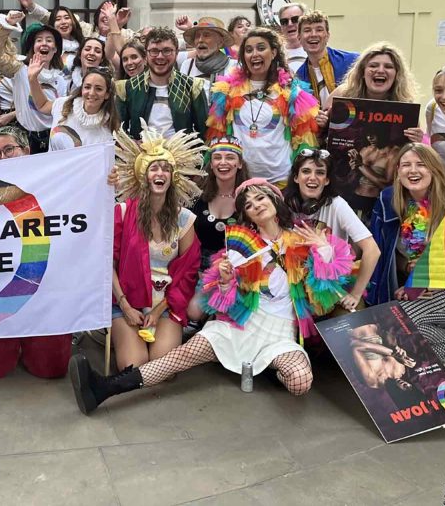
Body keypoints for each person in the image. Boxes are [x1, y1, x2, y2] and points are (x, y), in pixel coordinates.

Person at [69, 178, 354, 414]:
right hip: (238, 327)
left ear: (274, 200)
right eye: (249, 205)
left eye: (260, 198)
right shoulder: (241, 248)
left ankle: (261, 369)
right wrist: (227, 282)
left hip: (279, 334)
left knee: (300, 382)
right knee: (178, 358)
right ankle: (104, 388)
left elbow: (321, 299)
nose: (256, 206)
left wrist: (324, 253)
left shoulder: (306, 238)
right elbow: (223, 302)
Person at [0, 126, 75, 378]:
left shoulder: (52, 181)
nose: (3, 158)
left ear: (26, 151)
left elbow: (82, 194)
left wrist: (105, 178)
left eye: (9, 150)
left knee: (52, 369)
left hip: (43, 285)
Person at [366, 143, 445, 372]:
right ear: (398, 171)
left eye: (421, 165)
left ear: (434, 169)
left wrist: (429, 277)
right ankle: (444, 337)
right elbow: (386, 253)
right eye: (406, 165)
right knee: (391, 328)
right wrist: (410, 277)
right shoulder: (390, 201)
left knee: (405, 322)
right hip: (412, 288)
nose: (412, 170)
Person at [109, 122, 204, 369]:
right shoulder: (122, 212)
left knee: (163, 368)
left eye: (165, 168)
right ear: (143, 175)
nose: (160, 173)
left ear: (173, 177)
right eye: (153, 168)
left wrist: (159, 309)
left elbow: (187, 273)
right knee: (133, 366)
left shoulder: (185, 219)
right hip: (127, 302)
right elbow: (107, 264)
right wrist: (125, 306)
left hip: (166, 303)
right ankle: (126, 342)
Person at [207, 27, 319, 186]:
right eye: (248, 50)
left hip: (281, 181)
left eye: (261, 48)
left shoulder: (291, 92)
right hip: (239, 180)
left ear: (273, 53)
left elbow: (303, 142)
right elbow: (218, 137)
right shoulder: (227, 90)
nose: (254, 54)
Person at [284, 149, 381, 311]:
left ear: (327, 180)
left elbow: (373, 250)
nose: (312, 177)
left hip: (332, 284)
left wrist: (356, 294)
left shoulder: (337, 205)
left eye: (320, 173)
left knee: (351, 325)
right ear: (296, 177)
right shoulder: (284, 205)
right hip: (295, 285)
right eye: (306, 171)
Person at [0, 18, 70, 153]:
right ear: (32, 47)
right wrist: (8, 25)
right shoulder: (19, 70)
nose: (44, 43)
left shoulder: (60, 80)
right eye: (39, 40)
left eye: (49, 40)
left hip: (53, 138)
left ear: (55, 49)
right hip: (25, 138)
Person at [115, 27, 208, 140]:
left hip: (181, 155)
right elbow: (119, 133)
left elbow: (204, 134)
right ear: (146, 54)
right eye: (154, 51)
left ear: (177, 53)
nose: (160, 56)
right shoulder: (127, 88)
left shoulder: (193, 87)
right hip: (139, 156)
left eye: (166, 50)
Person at [29, 64, 119, 152]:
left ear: (107, 94)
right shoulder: (62, 104)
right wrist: (33, 79)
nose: (91, 93)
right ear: (82, 89)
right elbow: (42, 105)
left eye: (98, 89)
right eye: (87, 87)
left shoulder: (108, 132)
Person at [191, 137, 250, 267]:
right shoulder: (195, 196)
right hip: (198, 270)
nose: (223, 162)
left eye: (230, 157)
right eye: (217, 158)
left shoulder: (250, 198)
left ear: (240, 164)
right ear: (211, 164)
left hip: (236, 270)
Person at [294, 10, 359, 107]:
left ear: (327, 36)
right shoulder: (299, 77)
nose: (313, 34)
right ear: (299, 38)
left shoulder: (353, 61)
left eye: (319, 30)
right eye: (307, 30)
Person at [325, 42, 417, 109]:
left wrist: (417, 136)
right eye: (373, 66)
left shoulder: (406, 105)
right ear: (362, 72)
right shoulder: (342, 94)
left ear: (397, 75)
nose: (380, 70)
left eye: (388, 67)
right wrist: (323, 123)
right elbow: (320, 132)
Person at [179, 18, 235, 97]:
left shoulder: (233, 66)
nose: (200, 40)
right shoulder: (187, 65)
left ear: (220, 41)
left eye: (206, 35)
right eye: (197, 36)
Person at [276, 2, 308, 74]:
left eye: (295, 19)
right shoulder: (274, 53)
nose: (290, 24)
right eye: (284, 21)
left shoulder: (317, 50)